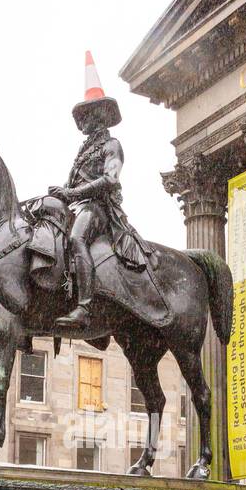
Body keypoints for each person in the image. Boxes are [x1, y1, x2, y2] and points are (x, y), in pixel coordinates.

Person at [53, 52, 148, 330]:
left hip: (99, 208)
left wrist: (72, 194)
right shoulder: (83, 152)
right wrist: (60, 194)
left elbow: (110, 180)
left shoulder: (112, 146)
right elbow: (71, 185)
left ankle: (85, 306)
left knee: (76, 238)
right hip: (78, 205)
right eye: (81, 117)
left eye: (86, 115)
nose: (82, 122)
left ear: (100, 116)